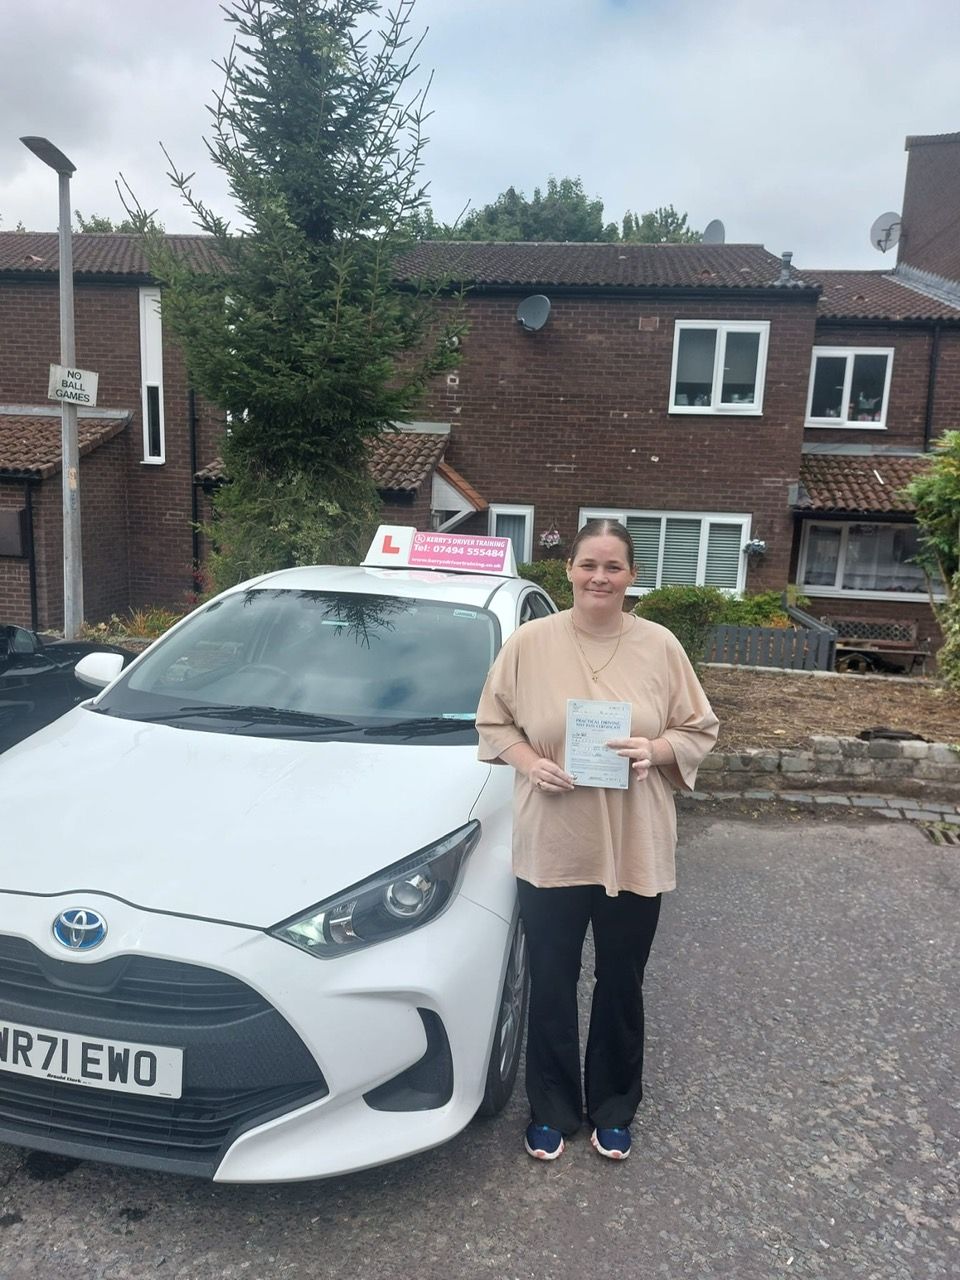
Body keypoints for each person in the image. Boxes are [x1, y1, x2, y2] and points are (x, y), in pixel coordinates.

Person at [476, 518, 718, 1162]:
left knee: (621, 979)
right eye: (589, 564)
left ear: (632, 575)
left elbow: (699, 728)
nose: (600, 578)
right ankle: (552, 1108)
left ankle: (614, 1104)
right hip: (553, 839)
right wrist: (530, 762)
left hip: (633, 841)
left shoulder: (661, 646)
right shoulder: (530, 643)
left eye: (613, 567)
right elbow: (493, 721)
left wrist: (656, 747)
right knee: (551, 978)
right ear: (569, 570)